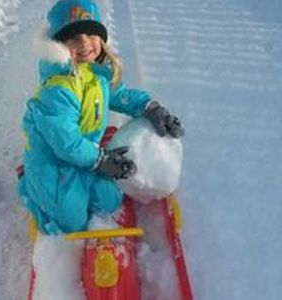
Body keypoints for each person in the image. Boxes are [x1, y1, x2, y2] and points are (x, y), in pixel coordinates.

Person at [17, 0, 184, 234]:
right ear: (60, 45)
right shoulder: (58, 89)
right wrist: (100, 161)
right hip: (53, 160)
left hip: (85, 154)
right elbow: (65, 143)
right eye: (73, 37)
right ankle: (29, 185)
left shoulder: (97, 73)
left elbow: (121, 95)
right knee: (72, 220)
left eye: (90, 34)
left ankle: (85, 172)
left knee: (109, 202)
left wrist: (149, 107)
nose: (84, 43)